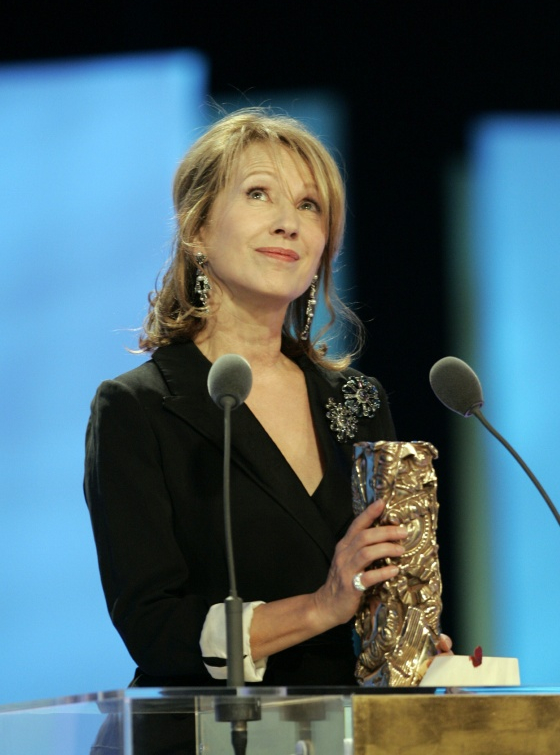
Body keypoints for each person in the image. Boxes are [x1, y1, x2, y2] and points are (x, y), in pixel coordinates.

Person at [84, 108, 447, 693]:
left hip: (347, 731)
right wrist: (321, 606)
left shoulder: (358, 399)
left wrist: (406, 641)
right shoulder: (138, 408)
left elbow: (379, 584)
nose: (288, 224)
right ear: (197, 229)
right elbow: (154, 627)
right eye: (259, 194)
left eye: (310, 206)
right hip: (208, 732)